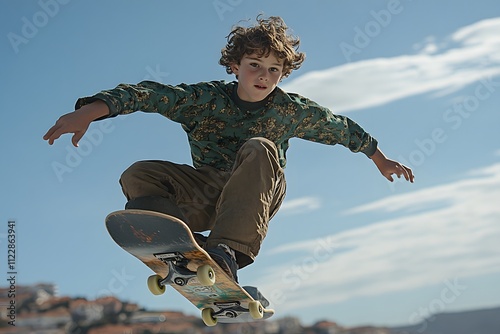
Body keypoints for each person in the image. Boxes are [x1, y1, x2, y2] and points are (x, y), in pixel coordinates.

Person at [43, 15, 414, 282]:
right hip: (206, 195)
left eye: (273, 70)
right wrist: (92, 110)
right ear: (235, 65)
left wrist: (379, 159)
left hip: (257, 194)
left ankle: (227, 253)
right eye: (255, 65)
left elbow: (340, 128)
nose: (263, 77)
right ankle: (174, 239)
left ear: (283, 74)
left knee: (259, 146)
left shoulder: (292, 110)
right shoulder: (204, 99)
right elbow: (152, 95)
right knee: (139, 173)